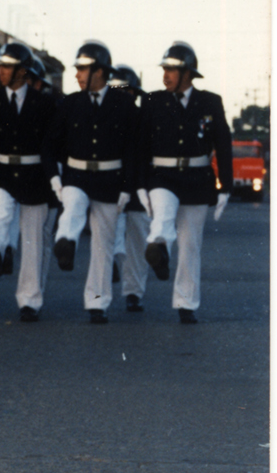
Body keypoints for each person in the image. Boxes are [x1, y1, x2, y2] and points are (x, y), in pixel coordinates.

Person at [43, 40, 139, 324]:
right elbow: (50, 144)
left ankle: (97, 303)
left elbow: (134, 150)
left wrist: (126, 188)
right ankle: (65, 243)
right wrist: (54, 178)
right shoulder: (70, 104)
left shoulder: (124, 104)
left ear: (99, 71)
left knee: (103, 246)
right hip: (76, 175)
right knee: (72, 205)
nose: (77, 75)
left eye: (82, 69)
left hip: (111, 180)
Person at [138, 41, 232, 324]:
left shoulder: (210, 102)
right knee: (163, 216)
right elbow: (140, 145)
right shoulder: (152, 101)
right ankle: (158, 248)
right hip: (162, 176)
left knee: (191, 243)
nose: (165, 75)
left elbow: (223, 144)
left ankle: (186, 303)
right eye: (164, 68)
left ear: (188, 73)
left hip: (197, 179)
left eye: (172, 70)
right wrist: (140, 183)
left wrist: (225, 186)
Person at [0, 41, 59, 321]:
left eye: (6, 66)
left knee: (33, 241)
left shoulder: (46, 105)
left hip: (35, 177)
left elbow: (50, 147)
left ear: (22, 71)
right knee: (1, 211)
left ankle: (29, 301)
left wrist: (55, 180)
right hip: (1, 173)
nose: (0, 71)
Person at [107, 64, 152, 311]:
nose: (121, 97)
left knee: (138, 242)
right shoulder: (102, 118)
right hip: (111, 184)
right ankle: (102, 290)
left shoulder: (142, 118)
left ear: (134, 94)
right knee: (109, 237)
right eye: (116, 91)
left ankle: (134, 292)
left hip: (137, 187)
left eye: (125, 92)